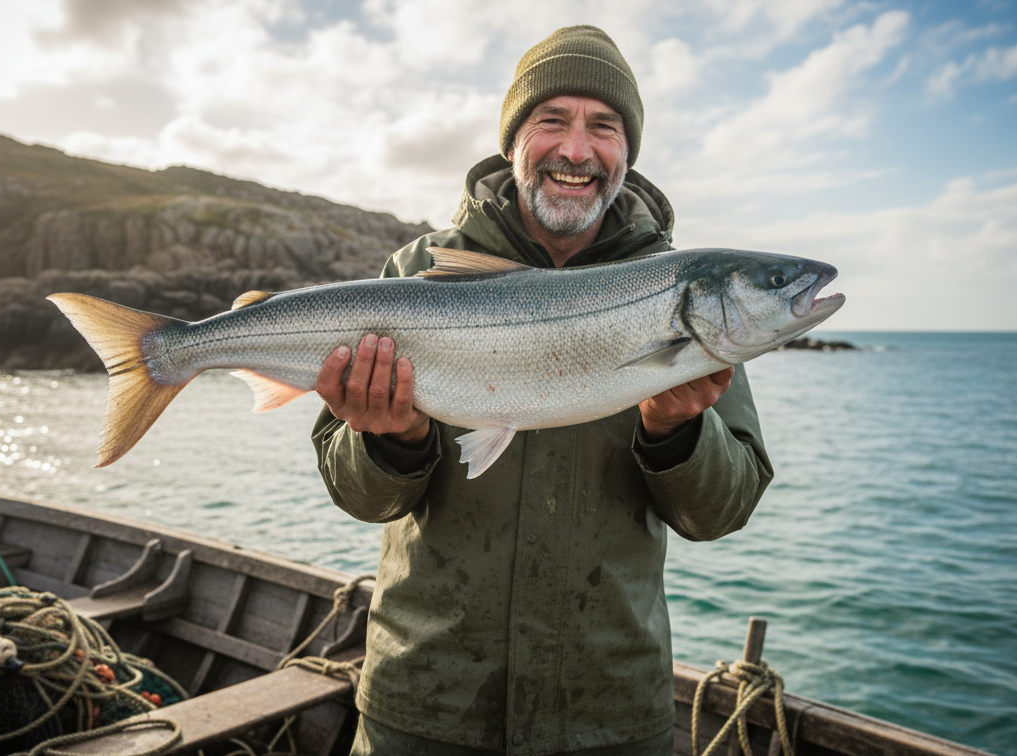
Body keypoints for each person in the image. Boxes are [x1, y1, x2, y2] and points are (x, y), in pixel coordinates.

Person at [311, 25, 773, 756]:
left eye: (604, 126)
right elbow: (361, 498)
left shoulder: (685, 301)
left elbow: (721, 512)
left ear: (628, 152)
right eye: (551, 120)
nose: (577, 149)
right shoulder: (416, 271)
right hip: (423, 705)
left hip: (611, 716)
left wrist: (678, 435)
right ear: (513, 142)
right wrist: (390, 438)